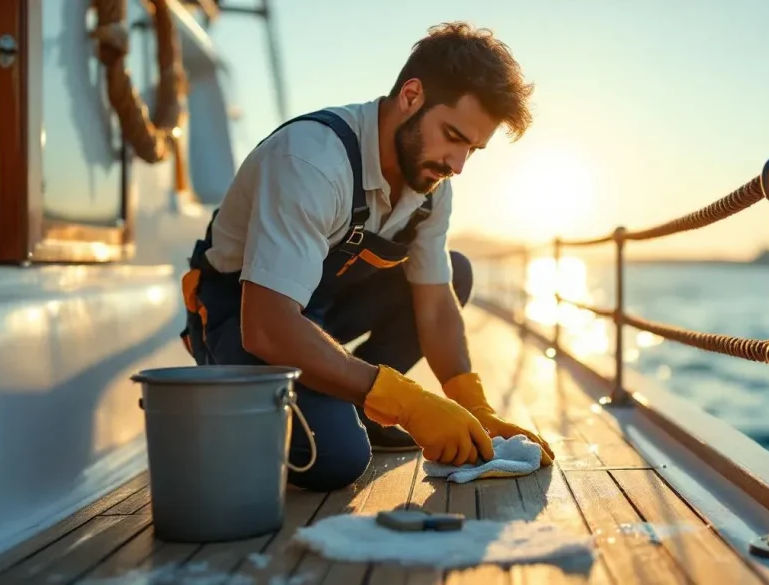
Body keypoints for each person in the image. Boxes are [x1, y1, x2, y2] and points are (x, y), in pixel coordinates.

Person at [179, 22, 555, 492]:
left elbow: (436, 305)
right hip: (243, 320)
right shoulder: (311, 160)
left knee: (452, 272)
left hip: (312, 316)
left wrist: (474, 406)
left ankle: (352, 401)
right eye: (453, 136)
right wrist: (408, 402)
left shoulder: (432, 188)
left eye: (472, 150)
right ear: (412, 96)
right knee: (338, 460)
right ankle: (293, 395)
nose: (457, 165)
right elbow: (267, 326)